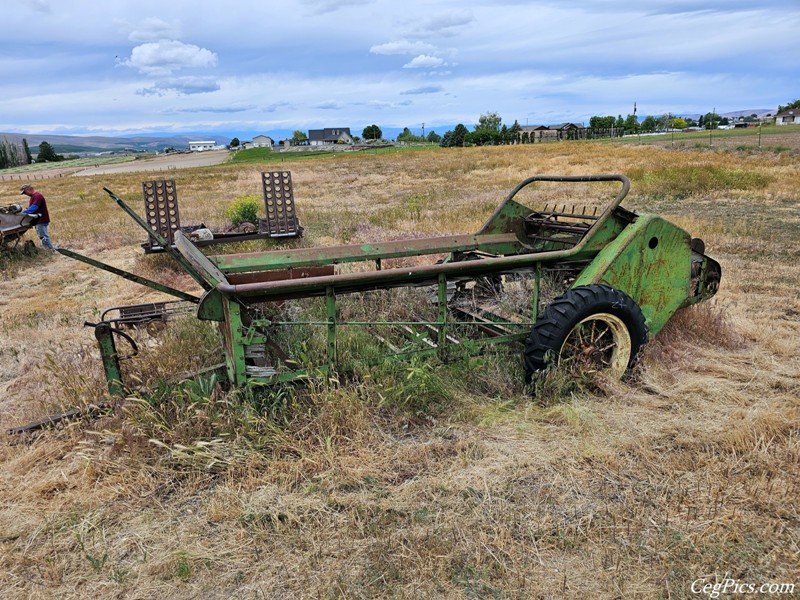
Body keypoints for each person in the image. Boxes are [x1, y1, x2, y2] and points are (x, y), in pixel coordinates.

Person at [20, 183, 54, 250]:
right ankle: (49, 249)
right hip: (39, 220)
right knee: (43, 235)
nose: (25, 194)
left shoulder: (37, 196)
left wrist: (23, 213)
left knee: (43, 236)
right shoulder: (34, 196)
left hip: (41, 219)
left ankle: (49, 250)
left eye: (24, 192)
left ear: (28, 189)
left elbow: (34, 208)